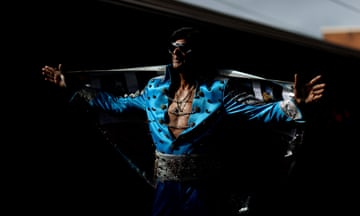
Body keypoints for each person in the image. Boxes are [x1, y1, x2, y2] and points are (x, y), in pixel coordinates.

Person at [41, 27, 326, 216]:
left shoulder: (218, 92)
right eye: (174, 48)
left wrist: (295, 104)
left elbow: (261, 113)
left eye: (185, 48)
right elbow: (117, 104)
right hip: (165, 186)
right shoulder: (153, 90)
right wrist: (73, 87)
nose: (177, 52)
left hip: (203, 189)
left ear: (198, 54)